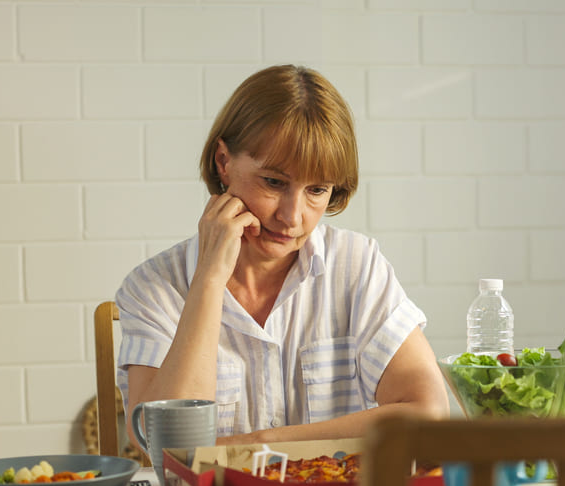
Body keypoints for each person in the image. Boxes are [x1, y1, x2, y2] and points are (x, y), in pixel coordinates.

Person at [115, 64, 448, 447]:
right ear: (223, 162)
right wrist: (208, 280)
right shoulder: (154, 286)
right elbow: (164, 443)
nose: (291, 217)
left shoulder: (356, 265)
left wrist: (259, 443)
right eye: (274, 182)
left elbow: (429, 413)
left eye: (317, 191)